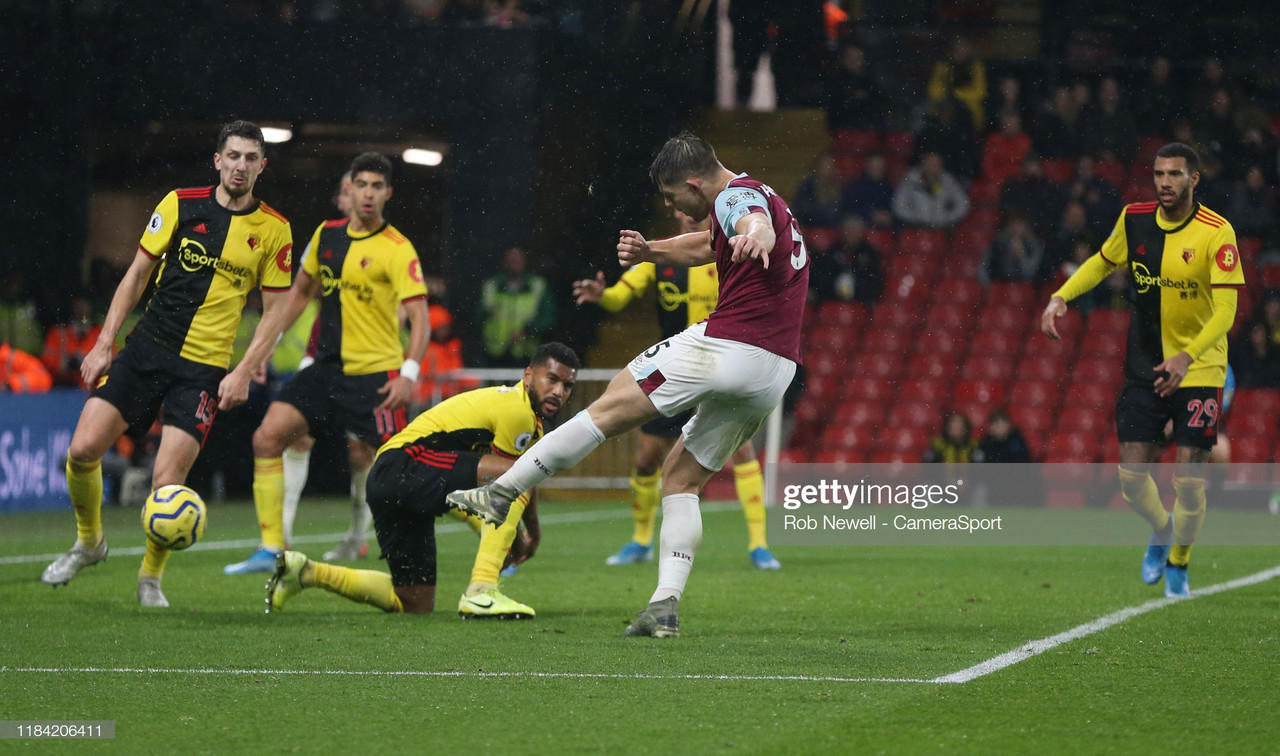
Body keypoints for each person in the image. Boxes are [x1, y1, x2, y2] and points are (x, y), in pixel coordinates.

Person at [448, 132, 807, 638]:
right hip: (774, 369)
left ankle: (502, 492)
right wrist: (650, 251)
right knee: (680, 479)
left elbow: (752, 222)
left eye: (669, 196)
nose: (667, 205)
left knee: (608, 407)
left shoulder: (738, 199)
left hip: (728, 345)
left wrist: (757, 234)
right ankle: (664, 605)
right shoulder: (764, 195)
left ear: (692, 183)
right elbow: (710, 242)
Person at [41, 121, 295, 607]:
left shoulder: (275, 230)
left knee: (166, 482)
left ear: (263, 166)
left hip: (203, 369)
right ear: (217, 161)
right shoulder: (179, 203)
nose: (241, 165)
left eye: (251, 158)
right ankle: (90, 543)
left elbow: (277, 310)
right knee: (81, 451)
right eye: (233, 156)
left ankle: (150, 578)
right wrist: (104, 342)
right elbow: (137, 274)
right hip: (147, 349)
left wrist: (243, 369)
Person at [1041, 142, 1244, 599]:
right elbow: (1101, 261)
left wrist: (1187, 357)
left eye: (1174, 174)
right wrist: (1061, 297)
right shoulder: (1134, 219)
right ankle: (1160, 528)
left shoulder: (1217, 232)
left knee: (1189, 480)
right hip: (1146, 362)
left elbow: (1227, 310)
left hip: (1200, 367)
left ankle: (1179, 560)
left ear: (1194, 179)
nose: (1164, 183)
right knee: (1132, 480)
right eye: (1158, 174)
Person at [221, 152, 429, 575]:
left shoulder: (398, 248)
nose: (368, 194)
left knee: (401, 470)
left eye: (377, 187)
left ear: (388, 194)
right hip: (327, 369)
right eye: (361, 185)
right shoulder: (325, 236)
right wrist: (262, 349)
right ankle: (272, 547)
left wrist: (408, 374)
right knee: (268, 438)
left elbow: (420, 319)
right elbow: (298, 294)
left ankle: (488, 525)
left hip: (377, 375)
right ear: (348, 189)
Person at [265, 343, 579, 617]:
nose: (558, 391)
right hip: (403, 465)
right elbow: (515, 478)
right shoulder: (516, 409)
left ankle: (305, 572)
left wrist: (527, 535)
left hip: (393, 482)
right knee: (512, 477)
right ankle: (482, 589)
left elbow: (520, 475)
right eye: (551, 379)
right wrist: (526, 536)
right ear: (528, 375)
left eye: (567, 386)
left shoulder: (530, 423)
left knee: (414, 601)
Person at [572, 207, 781, 571]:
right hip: (677, 369)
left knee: (743, 453)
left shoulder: (728, 254)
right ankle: (640, 541)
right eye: (681, 211)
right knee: (647, 457)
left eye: (694, 211)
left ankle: (759, 545)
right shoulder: (660, 259)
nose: (688, 216)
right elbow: (621, 296)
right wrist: (602, 295)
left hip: (719, 367)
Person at [477, 246, 556, 367]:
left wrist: (527, 330)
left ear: (525, 261)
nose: (514, 263)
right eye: (511, 259)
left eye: (518, 259)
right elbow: (477, 317)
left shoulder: (537, 285)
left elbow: (549, 319)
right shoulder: (492, 285)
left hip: (526, 353)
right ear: (504, 262)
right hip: (494, 353)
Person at [892, 152, 970, 229]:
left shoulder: (948, 182)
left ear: (941, 167)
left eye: (936, 166)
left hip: (942, 229)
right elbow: (899, 206)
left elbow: (963, 204)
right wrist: (915, 218)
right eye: (929, 165)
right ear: (922, 166)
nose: (932, 169)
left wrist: (947, 218)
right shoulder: (910, 181)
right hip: (916, 229)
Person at [41, 293, 103, 389]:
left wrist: (86, 360)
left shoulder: (99, 333)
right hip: (61, 389)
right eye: (77, 303)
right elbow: (46, 364)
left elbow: (111, 362)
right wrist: (65, 361)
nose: (81, 307)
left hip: (91, 389)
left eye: (84, 303)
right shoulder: (58, 333)